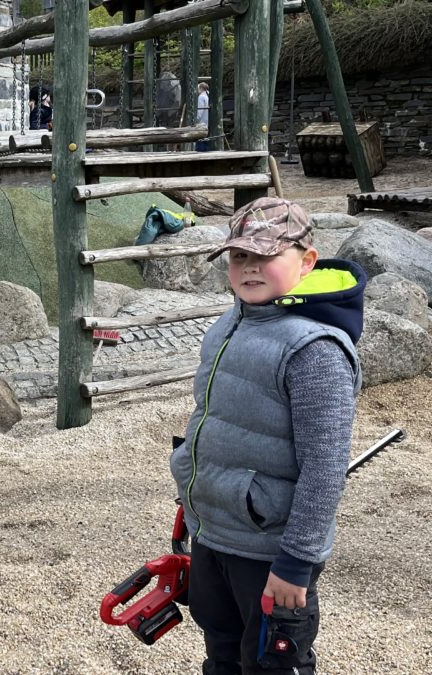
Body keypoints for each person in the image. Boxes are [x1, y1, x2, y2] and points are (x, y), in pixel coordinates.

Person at [169, 197, 366, 674]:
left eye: (266, 255)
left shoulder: (313, 349)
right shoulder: (229, 323)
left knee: (271, 663)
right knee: (221, 651)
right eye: (240, 256)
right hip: (215, 531)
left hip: (269, 547)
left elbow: (324, 467)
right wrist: (192, 503)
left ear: (307, 259)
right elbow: (211, 422)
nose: (250, 268)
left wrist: (296, 562)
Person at [195, 82, 210, 151]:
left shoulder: (201, 97)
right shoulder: (208, 96)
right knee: (206, 139)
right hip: (207, 121)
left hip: (202, 122)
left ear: (201, 88)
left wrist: (196, 120)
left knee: (200, 139)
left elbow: (199, 111)